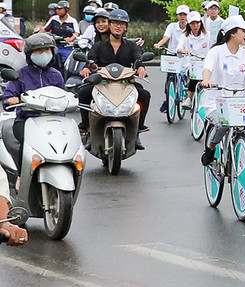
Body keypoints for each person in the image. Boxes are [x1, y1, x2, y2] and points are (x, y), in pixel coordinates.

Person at [199, 17, 245, 166]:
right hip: (216, 102)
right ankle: (211, 147)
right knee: (224, 122)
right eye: (243, 31)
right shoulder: (216, 52)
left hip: (239, 102)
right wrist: (206, 80)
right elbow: (207, 68)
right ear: (233, 33)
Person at [78, 9, 150, 143]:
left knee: (144, 95)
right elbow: (91, 61)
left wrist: (140, 68)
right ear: (109, 25)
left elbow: (137, 60)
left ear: (126, 27)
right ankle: (86, 126)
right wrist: (87, 69)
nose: (118, 26)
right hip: (103, 83)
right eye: (115, 23)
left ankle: (138, 128)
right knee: (83, 92)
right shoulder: (98, 46)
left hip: (125, 83)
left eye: (122, 24)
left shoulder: (131, 46)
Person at [3, 34, 67, 173]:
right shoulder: (20, 75)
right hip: (26, 120)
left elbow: (64, 96)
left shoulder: (56, 75)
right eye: (38, 51)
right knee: (27, 144)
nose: (44, 54)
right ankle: (22, 175)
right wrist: (11, 100)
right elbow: (8, 99)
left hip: (54, 121)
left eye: (47, 50)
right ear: (29, 54)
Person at [161, 12, 210, 114]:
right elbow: (179, 47)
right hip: (190, 64)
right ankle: (189, 98)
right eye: (192, 24)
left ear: (200, 23)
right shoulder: (185, 36)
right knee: (194, 74)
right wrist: (182, 50)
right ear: (189, 25)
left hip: (205, 64)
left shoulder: (207, 35)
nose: (195, 26)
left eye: (197, 23)